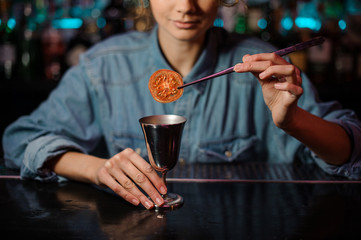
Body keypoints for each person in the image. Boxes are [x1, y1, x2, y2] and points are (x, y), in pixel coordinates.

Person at [2, 0, 361, 209]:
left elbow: (352, 149)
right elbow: (19, 139)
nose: (185, 6)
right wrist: (97, 169)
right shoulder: (104, 65)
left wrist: (294, 121)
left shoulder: (261, 66)